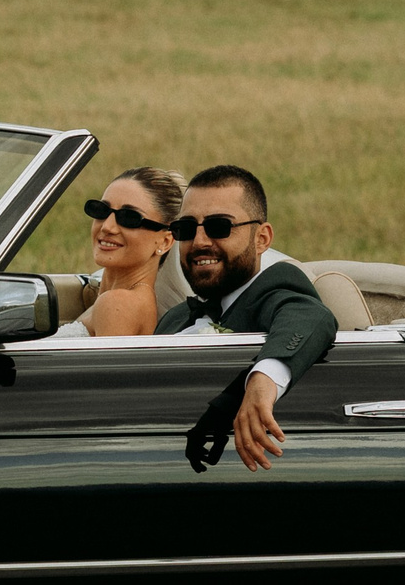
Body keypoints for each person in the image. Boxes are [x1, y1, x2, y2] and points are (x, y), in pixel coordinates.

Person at [157, 164, 337, 473]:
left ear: (262, 238)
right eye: (186, 228)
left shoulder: (275, 291)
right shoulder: (175, 318)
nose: (199, 241)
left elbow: (310, 316)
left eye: (219, 227)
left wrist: (263, 381)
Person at [53, 168, 187, 338]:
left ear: (165, 241)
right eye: (101, 211)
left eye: (129, 218)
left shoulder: (118, 303)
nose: (107, 226)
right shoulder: (124, 299)